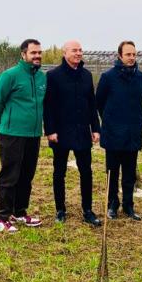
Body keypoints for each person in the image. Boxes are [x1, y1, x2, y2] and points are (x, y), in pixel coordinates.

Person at [0, 39, 47, 233]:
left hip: (33, 134)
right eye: (33, 53)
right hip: (12, 134)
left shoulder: (41, 78)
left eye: (39, 52)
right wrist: (4, 124)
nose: (37, 56)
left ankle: (20, 212)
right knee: (9, 175)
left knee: (26, 175)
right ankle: (1, 217)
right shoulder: (10, 75)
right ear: (23, 55)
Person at [44, 40, 102, 226]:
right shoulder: (53, 76)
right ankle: (60, 210)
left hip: (82, 132)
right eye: (74, 50)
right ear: (64, 53)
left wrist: (96, 128)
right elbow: (48, 106)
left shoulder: (86, 75)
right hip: (60, 133)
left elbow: (91, 104)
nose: (78, 53)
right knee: (59, 172)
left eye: (80, 50)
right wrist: (50, 130)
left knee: (86, 172)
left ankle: (87, 210)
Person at [96, 41, 142, 221]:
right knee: (112, 171)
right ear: (119, 56)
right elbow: (99, 102)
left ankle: (128, 205)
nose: (131, 58)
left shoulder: (141, 77)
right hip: (113, 133)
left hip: (132, 133)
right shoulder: (108, 77)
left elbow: (140, 99)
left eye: (134, 54)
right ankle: (112, 204)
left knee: (130, 172)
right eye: (128, 55)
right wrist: (110, 120)